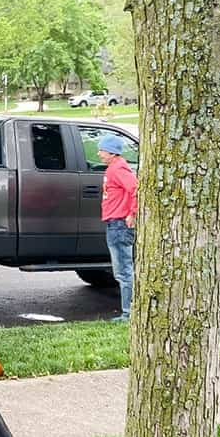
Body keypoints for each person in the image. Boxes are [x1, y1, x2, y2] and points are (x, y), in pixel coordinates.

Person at [97, 132, 138, 322]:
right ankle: (129, 311)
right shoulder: (113, 168)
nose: (99, 153)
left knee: (124, 271)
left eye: (102, 150)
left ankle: (129, 313)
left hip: (120, 224)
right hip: (115, 223)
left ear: (112, 152)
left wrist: (132, 213)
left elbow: (135, 189)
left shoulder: (118, 169)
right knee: (121, 271)